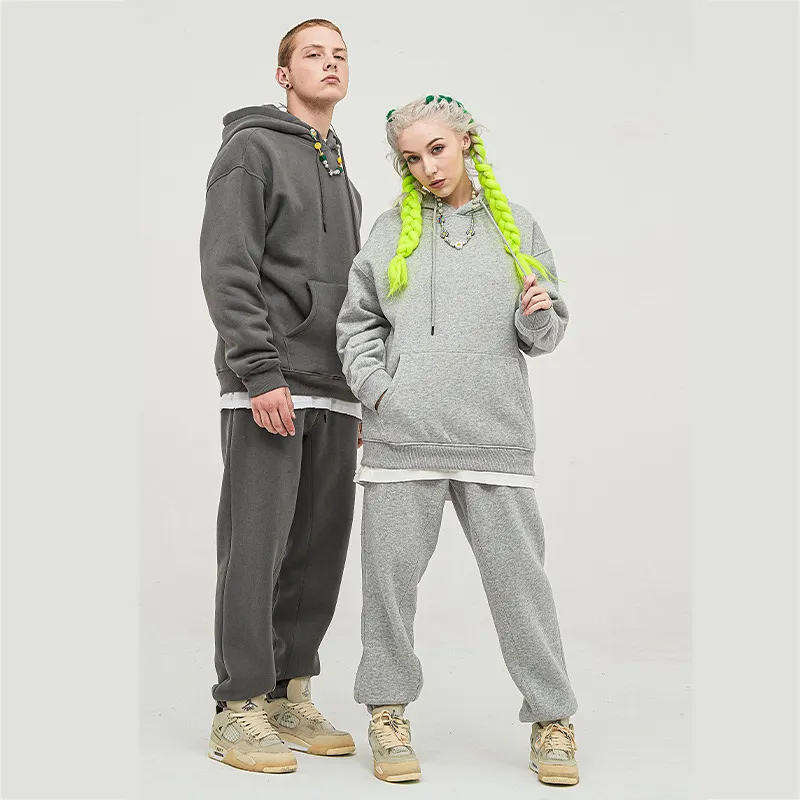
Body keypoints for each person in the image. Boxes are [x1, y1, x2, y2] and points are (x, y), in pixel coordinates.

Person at [336, 94, 580, 786]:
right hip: (401, 443)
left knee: (520, 588)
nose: (426, 167)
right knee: (388, 591)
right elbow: (357, 324)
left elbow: (545, 334)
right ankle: (387, 713)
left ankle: (553, 718)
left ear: (467, 141)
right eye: (411, 158)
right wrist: (381, 392)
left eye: (436, 149)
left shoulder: (517, 226)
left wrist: (537, 312)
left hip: (493, 438)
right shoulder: (390, 232)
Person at [199, 19, 363, 773]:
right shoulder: (251, 152)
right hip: (270, 384)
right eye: (313, 54)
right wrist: (260, 372)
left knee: (316, 551)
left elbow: (357, 295)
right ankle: (238, 707)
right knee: (256, 549)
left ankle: (289, 693)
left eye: (340, 55)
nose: (329, 64)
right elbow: (228, 267)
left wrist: (358, 389)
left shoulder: (345, 175)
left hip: (334, 390)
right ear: (283, 74)